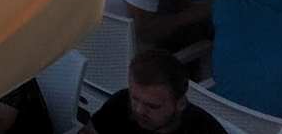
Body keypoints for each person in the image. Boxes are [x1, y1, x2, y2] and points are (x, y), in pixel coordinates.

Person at [85, 48, 225, 132]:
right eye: (135, 99)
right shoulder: (120, 104)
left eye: (152, 106)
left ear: (180, 103)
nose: (139, 110)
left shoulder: (204, 129)